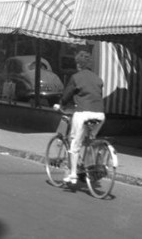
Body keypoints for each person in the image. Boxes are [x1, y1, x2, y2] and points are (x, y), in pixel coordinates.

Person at [57, 49, 105, 186]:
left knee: (75, 143)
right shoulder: (98, 78)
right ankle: (88, 167)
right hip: (100, 115)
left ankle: (72, 175)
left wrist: (61, 104)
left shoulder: (76, 77)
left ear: (78, 64)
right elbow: (96, 94)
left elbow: (66, 96)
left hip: (83, 113)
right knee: (90, 140)